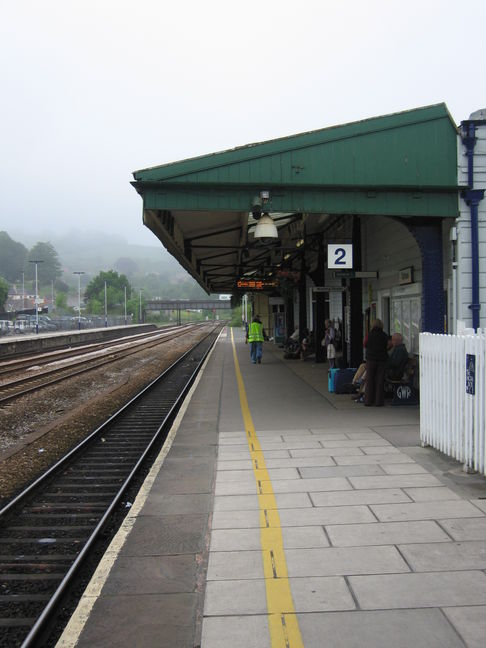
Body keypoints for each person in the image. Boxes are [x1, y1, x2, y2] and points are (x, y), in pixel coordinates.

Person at [364, 319, 389, 406]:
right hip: (382, 360)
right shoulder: (384, 335)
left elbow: (365, 344)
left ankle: (368, 401)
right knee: (379, 381)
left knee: (370, 380)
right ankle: (378, 402)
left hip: (371, 360)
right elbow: (387, 346)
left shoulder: (369, 335)